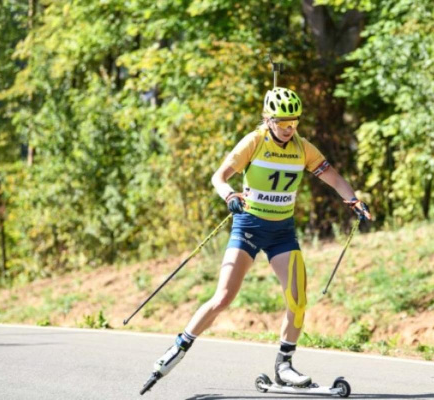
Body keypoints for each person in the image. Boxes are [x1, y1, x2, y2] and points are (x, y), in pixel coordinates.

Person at [143, 87, 371, 392]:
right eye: (284, 123)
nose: (291, 129)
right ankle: (178, 347)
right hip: (249, 226)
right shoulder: (255, 141)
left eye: (295, 123)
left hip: (281, 233)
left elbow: (334, 177)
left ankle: (284, 366)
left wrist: (353, 200)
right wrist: (229, 195)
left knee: (298, 298)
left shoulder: (303, 147)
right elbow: (219, 177)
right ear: (269, 119)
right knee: (224, 296)